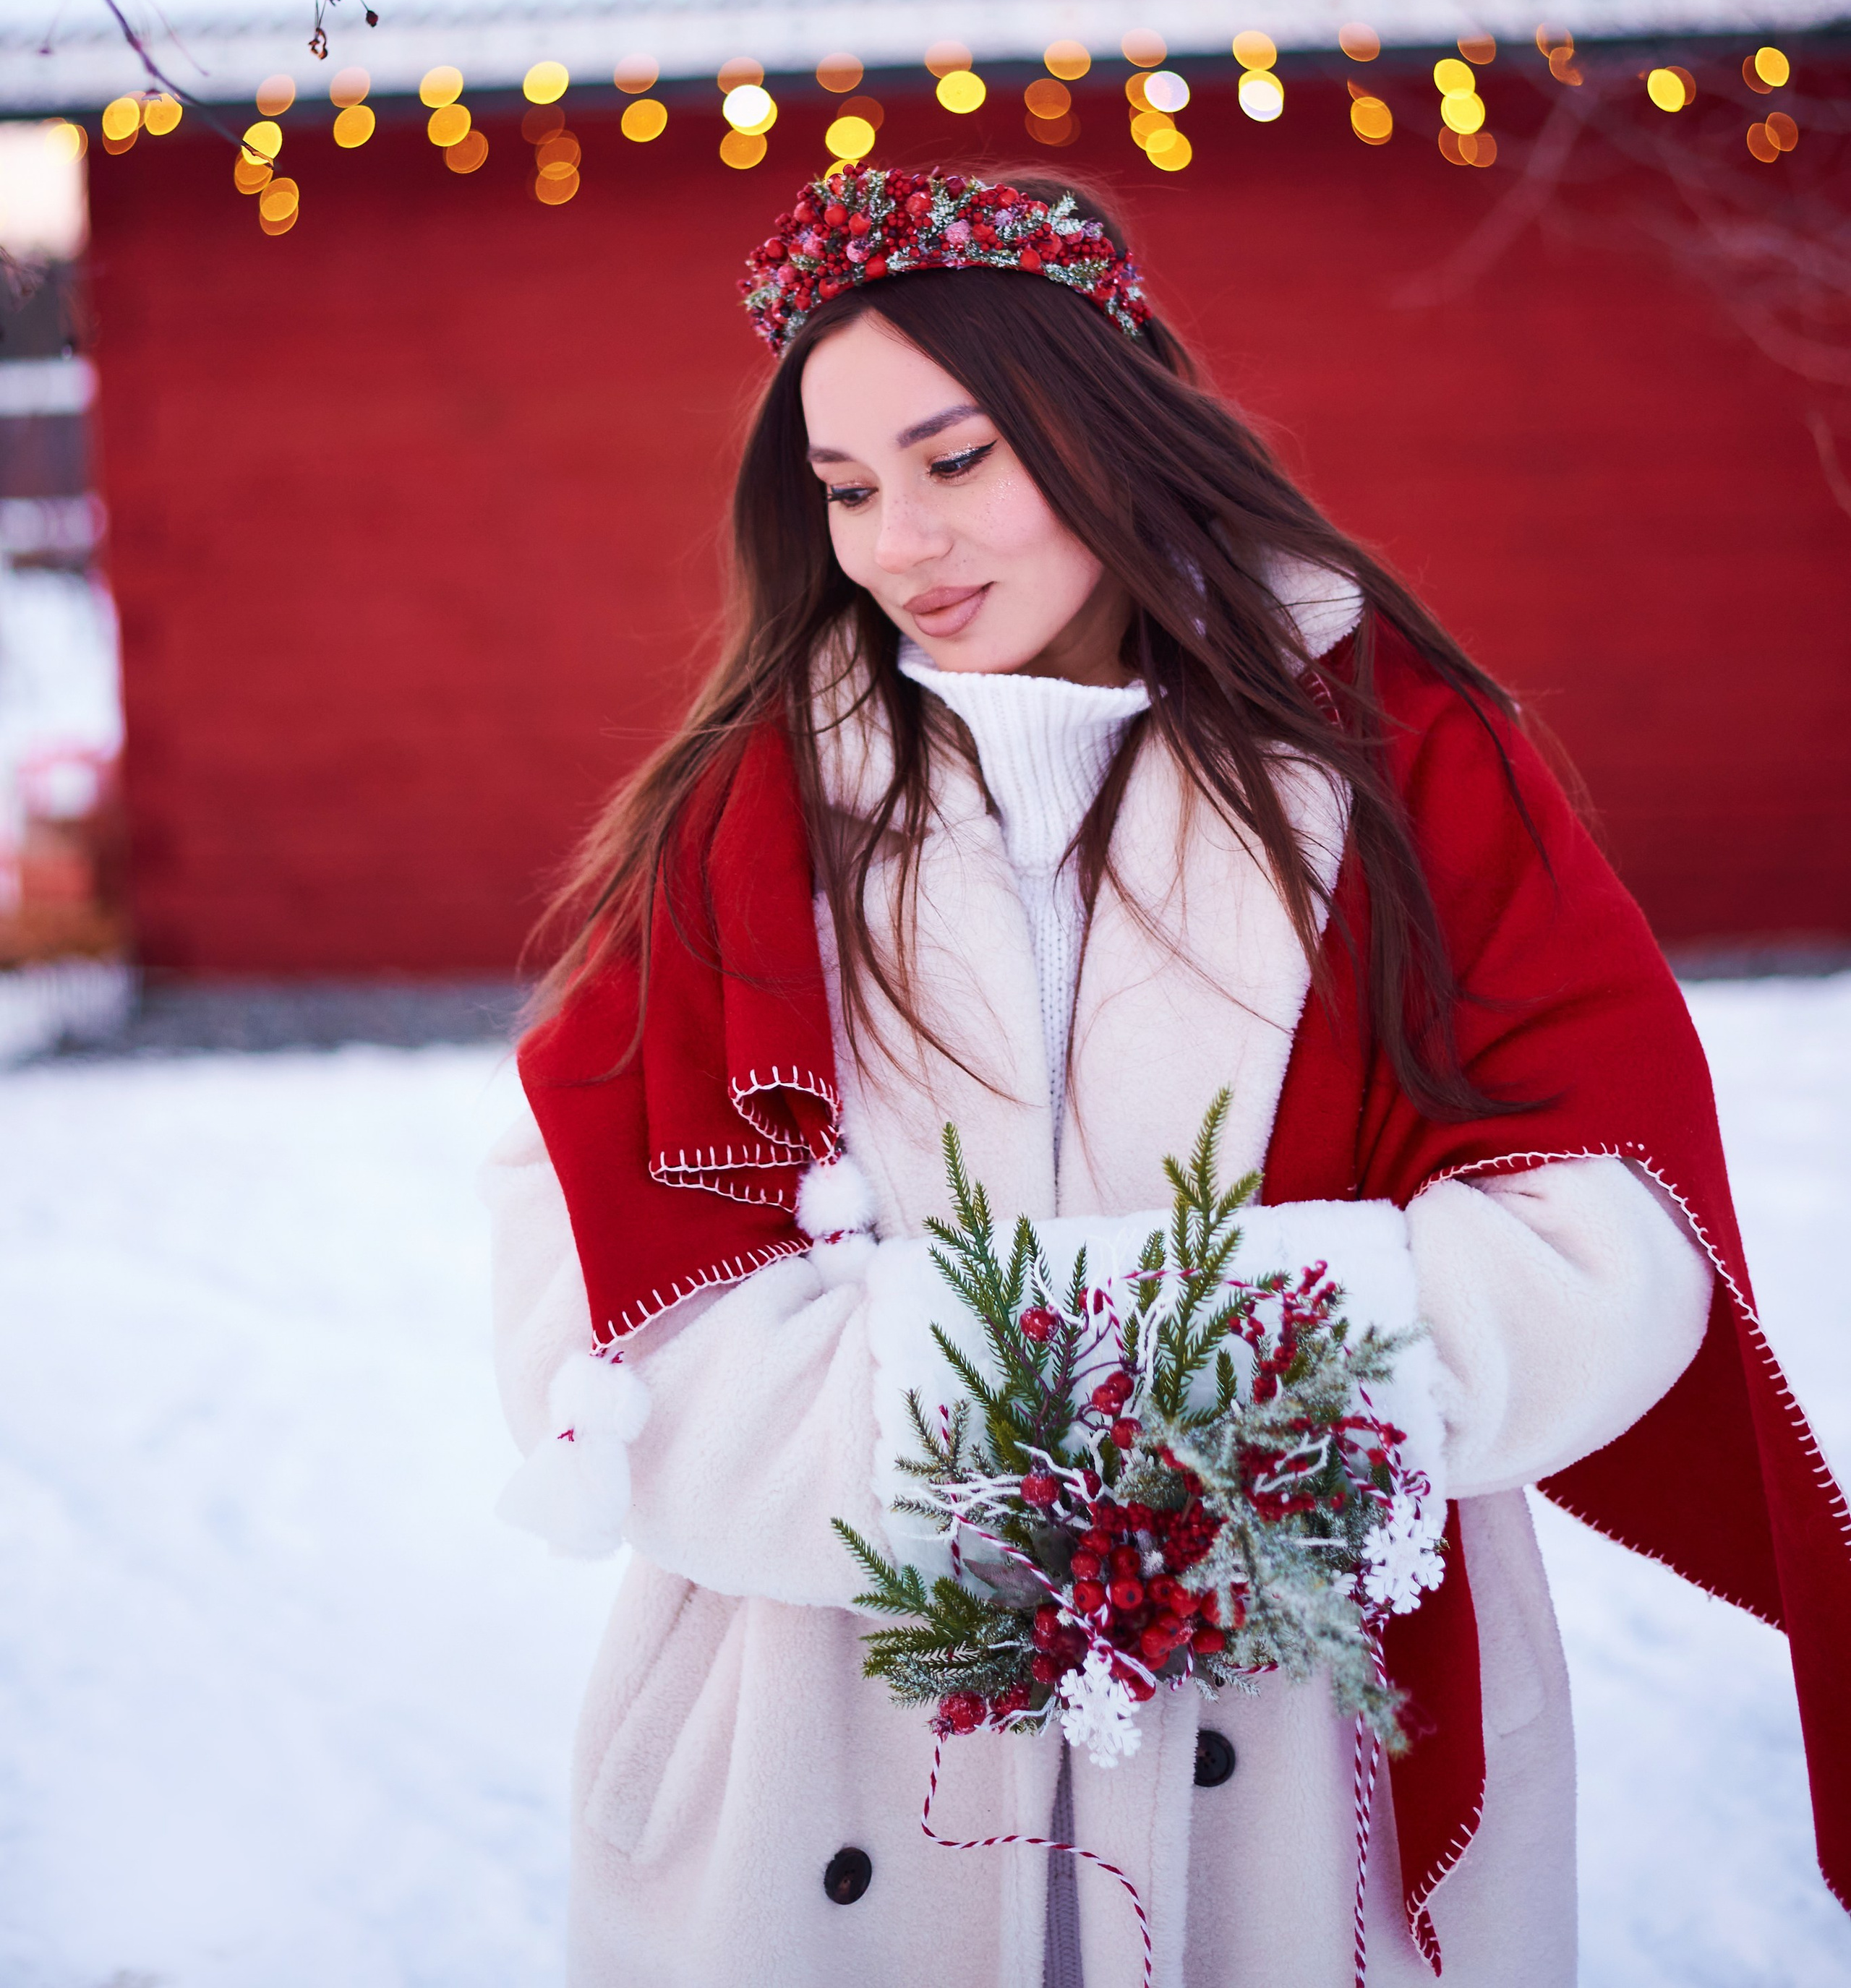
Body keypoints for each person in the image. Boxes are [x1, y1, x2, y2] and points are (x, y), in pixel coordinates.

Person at [485, 162, 1851, 1988]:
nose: (900, 541)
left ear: (1102, 417)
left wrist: (1007, 1390)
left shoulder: (1403, 766)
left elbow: (1610, 1240)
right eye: (846, 489)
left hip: (1303, 1753)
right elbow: (600, 1315)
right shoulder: (742, 828)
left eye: (955, 459)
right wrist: (1186, 1395)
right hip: (835, 1752)